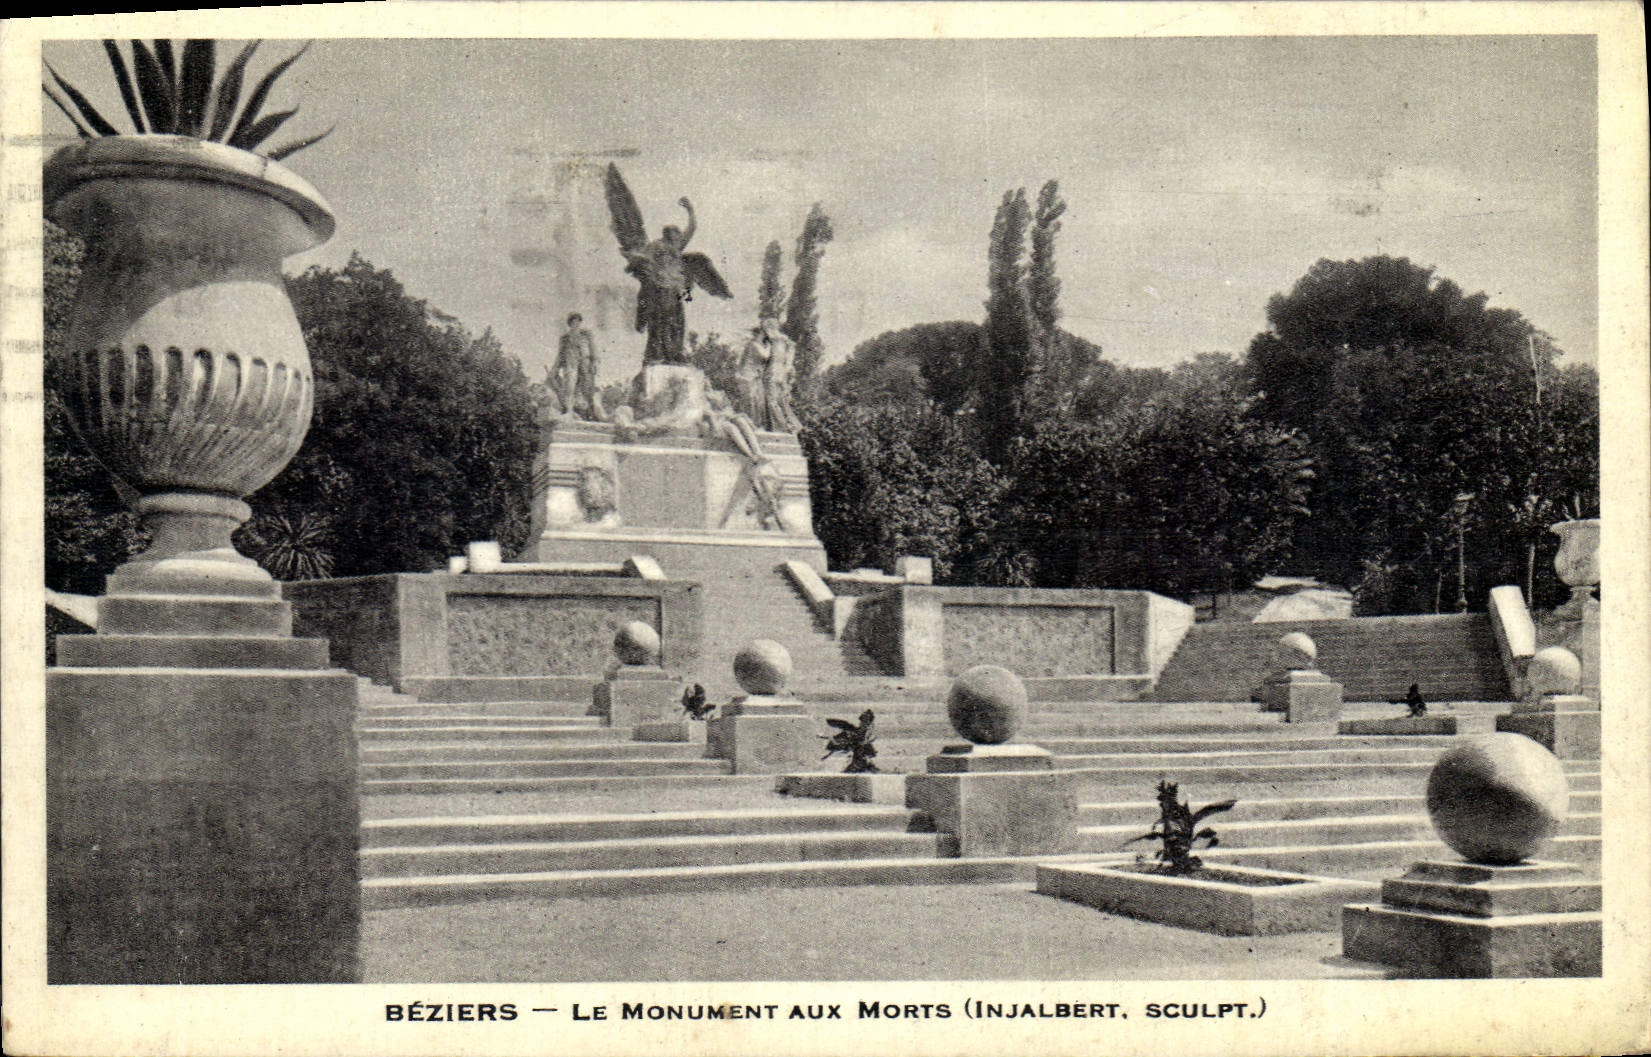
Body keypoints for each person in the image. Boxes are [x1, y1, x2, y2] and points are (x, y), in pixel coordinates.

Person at [553, 313, 601, 420]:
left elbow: (593, 348)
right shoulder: (564, 338)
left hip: (585, 362)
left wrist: (594, 363)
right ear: (570, 323)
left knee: (587, 388)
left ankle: (591, 413)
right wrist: (555, 370)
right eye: (574, 321)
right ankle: (569, 411)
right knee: (569, 386)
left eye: (578, 320)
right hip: (571, 363)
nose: (576, 323)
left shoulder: (586, 334)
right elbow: (560, 354)